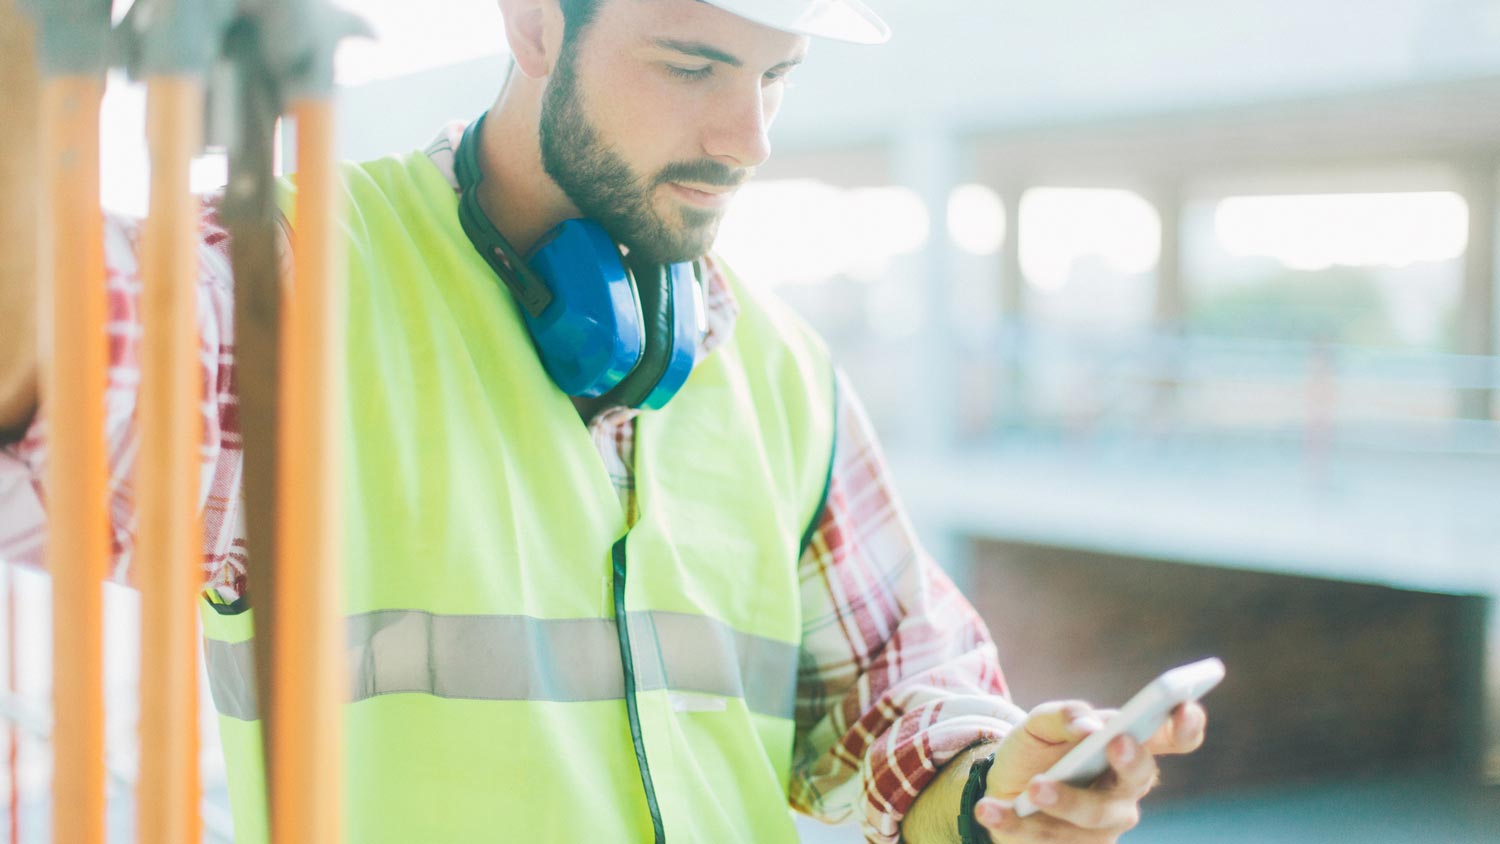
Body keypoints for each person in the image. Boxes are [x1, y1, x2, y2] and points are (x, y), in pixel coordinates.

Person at [0, 0, 1207, 841]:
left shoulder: (779, 368)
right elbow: (37, 373)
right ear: (533, 23)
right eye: (691, 67)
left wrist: (1013, 787)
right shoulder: (288, 288)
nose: (749, 140)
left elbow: (899, 713)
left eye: (773, 77)